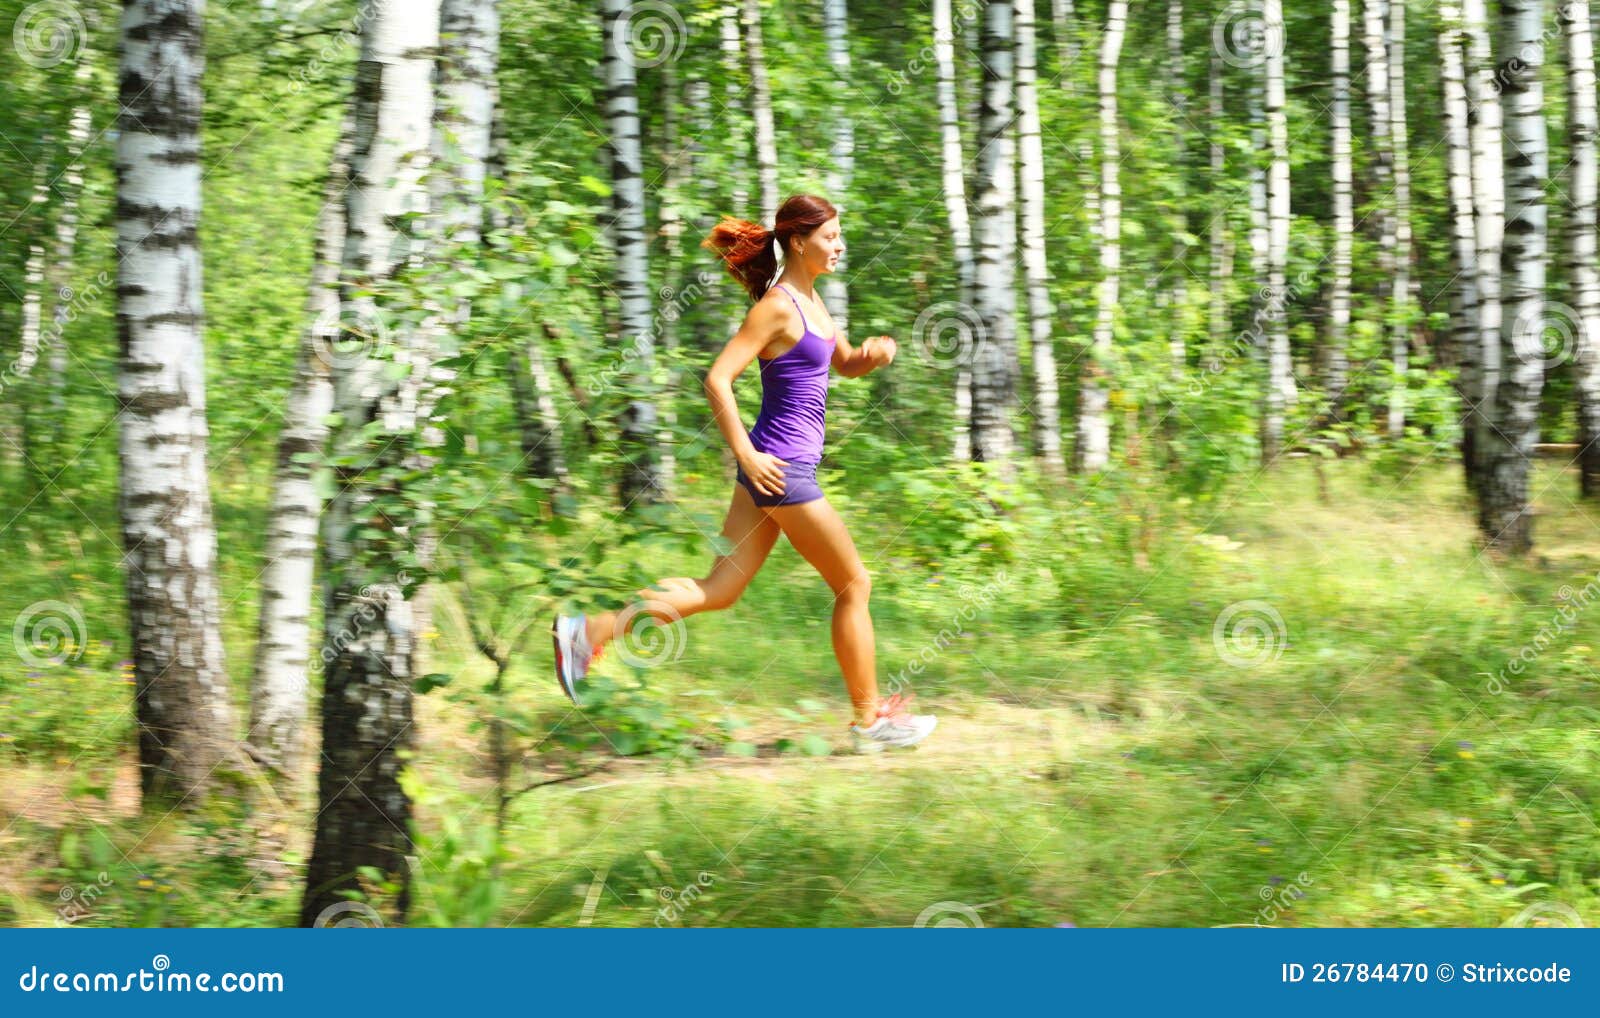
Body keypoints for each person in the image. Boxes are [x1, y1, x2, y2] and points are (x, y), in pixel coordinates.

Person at [552, 194, 936, 753]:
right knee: (855, 584)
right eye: (830, 236)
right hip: (781, 468)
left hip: (774, 468)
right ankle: (869, 720)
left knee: (719, 589)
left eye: (840, 235)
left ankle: (587, 632)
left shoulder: (813, 302)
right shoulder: (777, 306)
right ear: (800, 242)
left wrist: (869, 357)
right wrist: (747, 456)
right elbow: (717, 379)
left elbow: (840, 361)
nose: (840, 244)